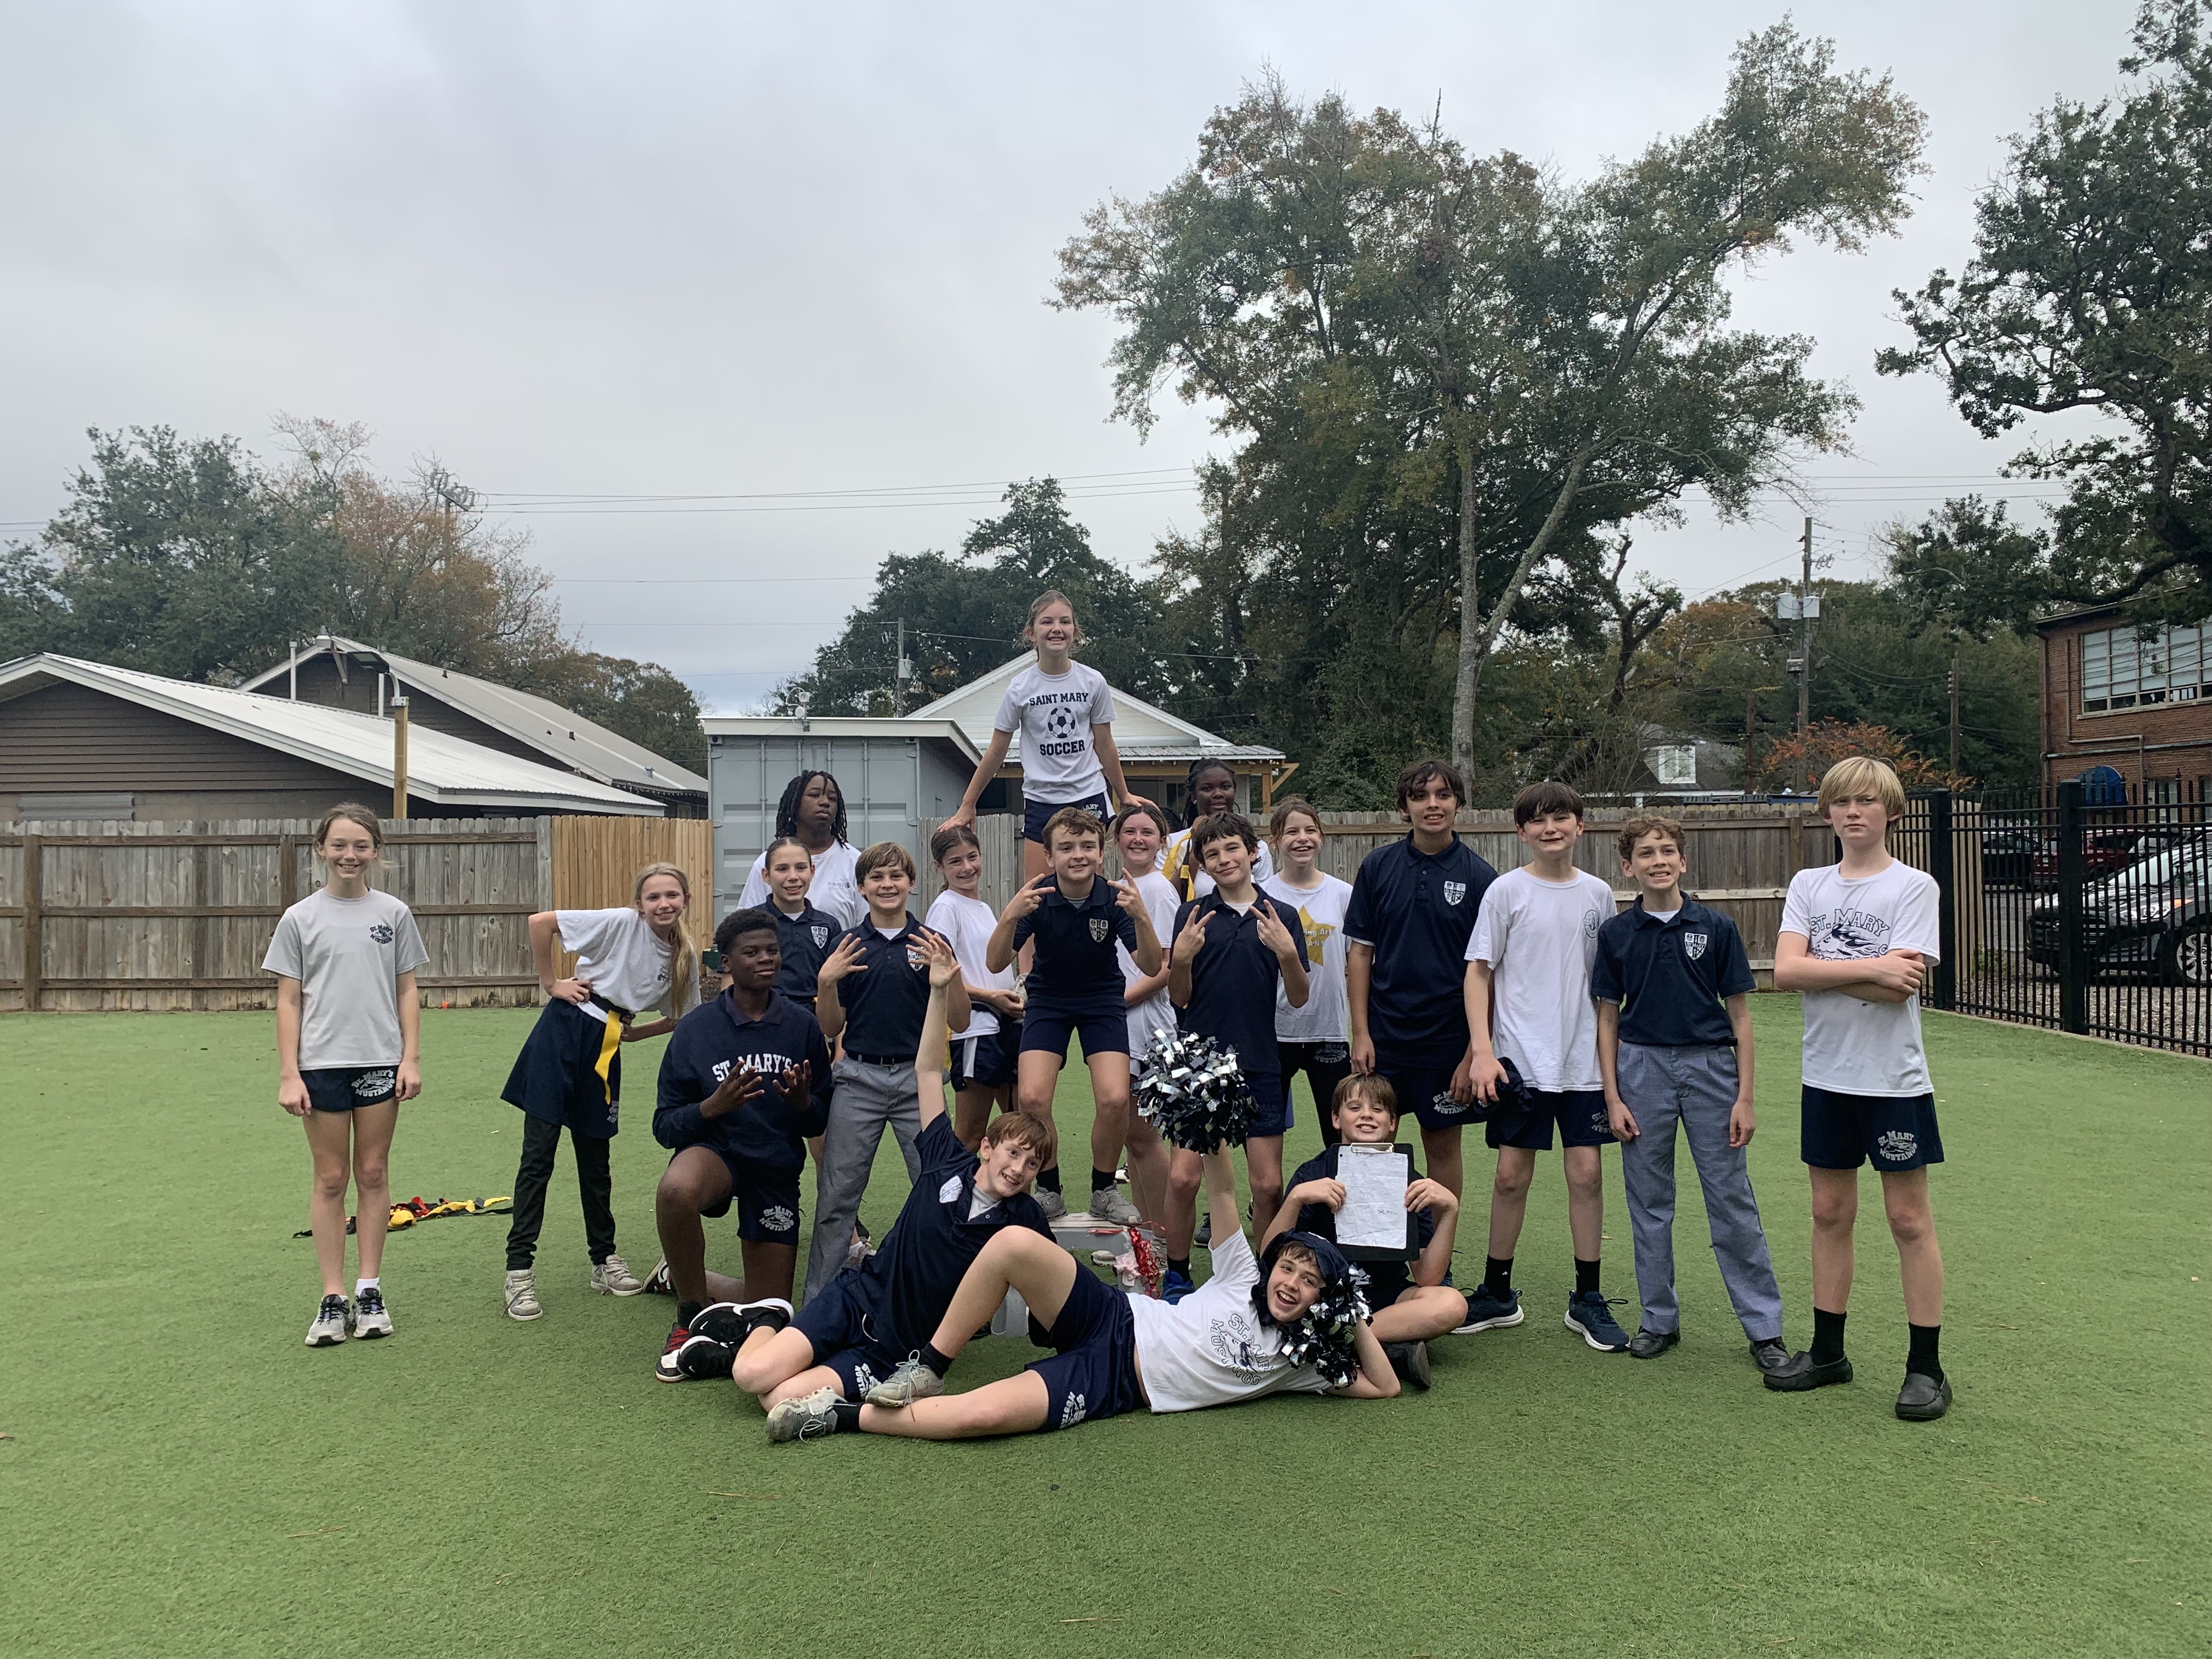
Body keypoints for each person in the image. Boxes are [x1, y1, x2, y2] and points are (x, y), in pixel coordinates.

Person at [761, 1141, 1398, 1442]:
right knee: (1011, 1246)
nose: (1290, 1283)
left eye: (1310, 1282)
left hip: (1116, 1382)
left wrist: (1354, 1315)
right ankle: (928, 1367)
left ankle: (841, 1416)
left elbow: (1383, 1386)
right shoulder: (1243, 1280)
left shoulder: (1303, 1362)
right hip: (1118, 1315)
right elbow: (1226, 1192)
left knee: (981, 1417)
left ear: (1325, 1301)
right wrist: (1210, 1132)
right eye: (1289, 1267)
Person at [688, 932, 1059, 1404]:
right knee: (752, 1375)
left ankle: (766, 1343)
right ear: (986, 1147)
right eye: (1013, 1153)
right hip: (854, 1299)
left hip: (894, 1350)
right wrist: (939, 990)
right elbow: (927, 1070)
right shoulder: (946, 1158)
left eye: (1031, 1164)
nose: (1019, 1169)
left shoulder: (1025, 1221)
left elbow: (1059, 1291)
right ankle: (766, 1319)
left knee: (777, 1398)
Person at [1770, 757, 1953, 1421]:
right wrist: (1870, 965)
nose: (1854, 812)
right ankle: (1827, 1354)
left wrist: (1821, 968)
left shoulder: (1914, 887)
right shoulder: (1809, 884)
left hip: (1893, 1081)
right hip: (1827, 1076)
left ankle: (1926, 1369)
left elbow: (1900, 987)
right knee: (1828, 1213)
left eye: (1868, 802)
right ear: (1828, 812)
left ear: (1891, 813)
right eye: (1843, 802)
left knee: (1908, 1220)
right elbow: (1783, 973)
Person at [1593, 816, 1787, 1374]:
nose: (1659, 860)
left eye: (1669, 851)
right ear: (1628, 867)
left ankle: (1764, 1328)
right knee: (1649, 1204)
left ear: (1683, 861)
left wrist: (1745, 1097)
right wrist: (1613, 1098)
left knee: (1731, 1200)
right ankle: (1658, 1319)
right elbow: (1607, 1019)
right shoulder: (1617, 934)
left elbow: (1743, 1018)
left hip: (1710, 1070)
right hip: (1641, 1069)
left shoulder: (1718, 927)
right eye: (1647, 853)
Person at [1461, 781, 1628, 1353]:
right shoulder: (1505, 893)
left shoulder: (1600, 895)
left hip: (1583, 1061)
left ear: (1581, 826)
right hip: (1520, 1062)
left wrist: (1611, 1064)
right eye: (1538, 821)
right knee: (1511, 1177)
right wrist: (1482, 1050)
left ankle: (1587, 1298)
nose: (1550, 828)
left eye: (1562, 818)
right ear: (1521, 831)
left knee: (1586, 1175)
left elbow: (1607, 986)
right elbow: (1478, 971)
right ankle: (1498, 1292)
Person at [499, 862, 704, 1321]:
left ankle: (603, 1260)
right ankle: (519, 1272)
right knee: (539, 1156)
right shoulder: (620, 922)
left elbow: (683, 1018)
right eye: (653, 897)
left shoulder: (685, 953)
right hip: (564, 1032)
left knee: (596, 1159)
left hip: (608, 1044)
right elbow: (541, 923)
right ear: (639, 905)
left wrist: (638, 1033)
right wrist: (552, 983)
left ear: (686, 900)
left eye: (672, 895)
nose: (663, 904)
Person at [263, 803, 428, 1348]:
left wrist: (410, 1058)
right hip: (320, 1065)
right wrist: (290, 1073)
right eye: (339, 845)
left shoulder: (394, 913)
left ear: (375, 851)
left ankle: (369, 1290)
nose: (349, 855)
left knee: (374, 1172)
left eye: (360, 845)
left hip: (380, 1060)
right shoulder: (299, 918)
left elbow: (407, 988)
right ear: (321, 850)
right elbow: (288, 1001)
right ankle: (333, 1299)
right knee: (331, 1178)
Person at [647, 906, 833, 1381]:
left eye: (772, 951)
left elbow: (820, 1117)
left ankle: (680, 1274)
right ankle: (689, 1317)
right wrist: (714, 1106)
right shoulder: (696, 1030)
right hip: (718, 1157)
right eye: (751, 952)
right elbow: (665, 1126)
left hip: (774, 1167)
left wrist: (801, 1104)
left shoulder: (801, 1026)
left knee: (768, 1311)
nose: (765, 960)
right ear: (726, 961)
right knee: (676, 1189)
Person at [803, 842, 969, 1304]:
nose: (888, 885)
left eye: (897, 876)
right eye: (877, 878)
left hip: (921, 1084)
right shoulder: (847, 945)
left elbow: (961, 1021)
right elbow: (831, 1027)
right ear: (862, 888)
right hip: (858, 1081)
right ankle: (819, 1305)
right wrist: (825, 983)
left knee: (939, 1191)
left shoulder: (932, 942)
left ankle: (948, 1301)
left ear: (912, 884)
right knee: (837, 1200)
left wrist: (950, 974)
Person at [987, 806, 1162, 1225]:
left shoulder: (1116, 898)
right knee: (1031, 1098)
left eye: (1087, 846)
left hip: (1102, 1000)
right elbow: (995, 963)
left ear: (1102, 854)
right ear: (1049, 856)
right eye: (1066, 848)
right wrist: (1010, 914)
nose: (1078, 855)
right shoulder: (1038, 898)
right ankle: (1049, 1188)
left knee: (1116, 1097)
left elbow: (1154, 966)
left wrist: (1142, 917)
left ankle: (1104, 1188)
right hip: (1048, 1000)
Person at [1161, 811, 1310, 1298]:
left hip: (1260, 1062)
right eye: (1212, 855)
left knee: (1267, 1186)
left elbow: (1300, 995)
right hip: (1196, 1065)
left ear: (1252, 853)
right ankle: (1178, 1275)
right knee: (1183, 1180)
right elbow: (1179, 998)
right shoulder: (1193, 915)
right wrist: (1180, 960)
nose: (1224, 860)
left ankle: (1266, 1278)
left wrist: (1288, 953)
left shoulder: (1280, 915)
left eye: (1232, 849)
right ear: (1203, 865)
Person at [1344, 758, 1498, 1205]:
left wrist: (1473, 1052)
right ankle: (1372, 1253)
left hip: (1447, 1040)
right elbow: (1361, 953)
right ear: (1405, 806)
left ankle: (1438, 1254)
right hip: (1385, 1035)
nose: (1433, 805)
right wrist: (1361, 1032)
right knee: (1370, 1142)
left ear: (1458, 804)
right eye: (1420, 796)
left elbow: (1487, 973)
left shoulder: (1481, 878)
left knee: (1442, 1144)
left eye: (1443, 795)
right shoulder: (1378, 867)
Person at [1266, 1074, 1469, 1389]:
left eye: (1378, 1109)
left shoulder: (1409, 1181)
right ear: (1336, 1118)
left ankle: (1347, 1342)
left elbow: (1427, 1278)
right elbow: (1268, 1254)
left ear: (1392, 1123)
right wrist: (1296, 1198)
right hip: (1321, 1296)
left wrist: (1450, 1210)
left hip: (1386, 1296)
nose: (1366, 1115)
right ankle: (1389, 1351)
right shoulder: (1315, 1174)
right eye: (1355, 1107)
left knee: (1453, 1304)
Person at [943, 589, 1152, 884]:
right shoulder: (1020, 688)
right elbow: (996, 751)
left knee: (1092, 890)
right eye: (1047, 622)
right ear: (1031, 632)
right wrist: (968, 804)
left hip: (1088, 795)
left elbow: (1104, 744)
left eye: (1065, 622)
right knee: (1038, 895)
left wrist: (1123, 792)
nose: (1057, 629)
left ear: (1075, 631)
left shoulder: (1093, 682)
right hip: (1042, 799)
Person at [1262, 797, 1355, 1149]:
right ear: (1276, 840)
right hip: (1273, 1033)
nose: (1302, 839)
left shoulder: (1343, 894)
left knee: (1339, 1135)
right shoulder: (1263, 895)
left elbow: (1358, 966)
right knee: (1265, 1133)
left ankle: (1339, 1202)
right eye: (1291, 832)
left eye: (1310, 830)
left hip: (1329, 1031)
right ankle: (1266, 1203)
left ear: (1322, 837)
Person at [923, 823, 1023, 1150]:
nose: (967, 868)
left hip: (1006, 1025)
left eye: (972, 857)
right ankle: (955, 1200)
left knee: (1018, 1126)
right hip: (976, 1030)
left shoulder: (983, 908)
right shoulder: (945, 907)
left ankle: (1010, 1201)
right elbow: (940, 973)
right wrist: (991, 997)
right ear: (939, 867)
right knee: (971, 1132)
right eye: (955, 861)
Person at [1111, 803, 1178, 1226]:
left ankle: (1165, 1239)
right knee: (1132, 1139)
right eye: (1130, 831)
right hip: (1121, 1025)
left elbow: (1169, 967)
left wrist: (1119, 1002)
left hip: (1147, 1025)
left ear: (1161, 841)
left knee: (1144, 1136)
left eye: (1148, 832)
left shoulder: (1158, 889)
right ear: (1116, 840)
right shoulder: (1119, 887)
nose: (1138, 839)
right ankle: (1144, 1240)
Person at [738, 771, 863, 929]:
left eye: (832, 798)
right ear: (795, 802)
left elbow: (865, 926)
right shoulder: (767, 861)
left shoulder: (855, 862)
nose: (825, 802)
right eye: (815, 795)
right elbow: (746, 927)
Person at [1161, 757, 1274, 900]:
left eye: (1225, 787)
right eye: (1207, 789)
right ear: (1194, 796)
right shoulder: (1171, 844)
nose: (1218, 794)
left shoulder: (1255, 846)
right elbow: (1166, 900)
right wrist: (1194, 847)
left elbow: (1266, 901)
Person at [758, 836, 842, 1011]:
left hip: (816, 1020)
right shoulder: (750, 923)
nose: (793, 877)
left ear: (812, 871)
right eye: (782, 869)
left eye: (801, 868)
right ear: (766, 875)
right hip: (765, 1017)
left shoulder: (829, 925)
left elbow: (839, 988)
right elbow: (731, 984)